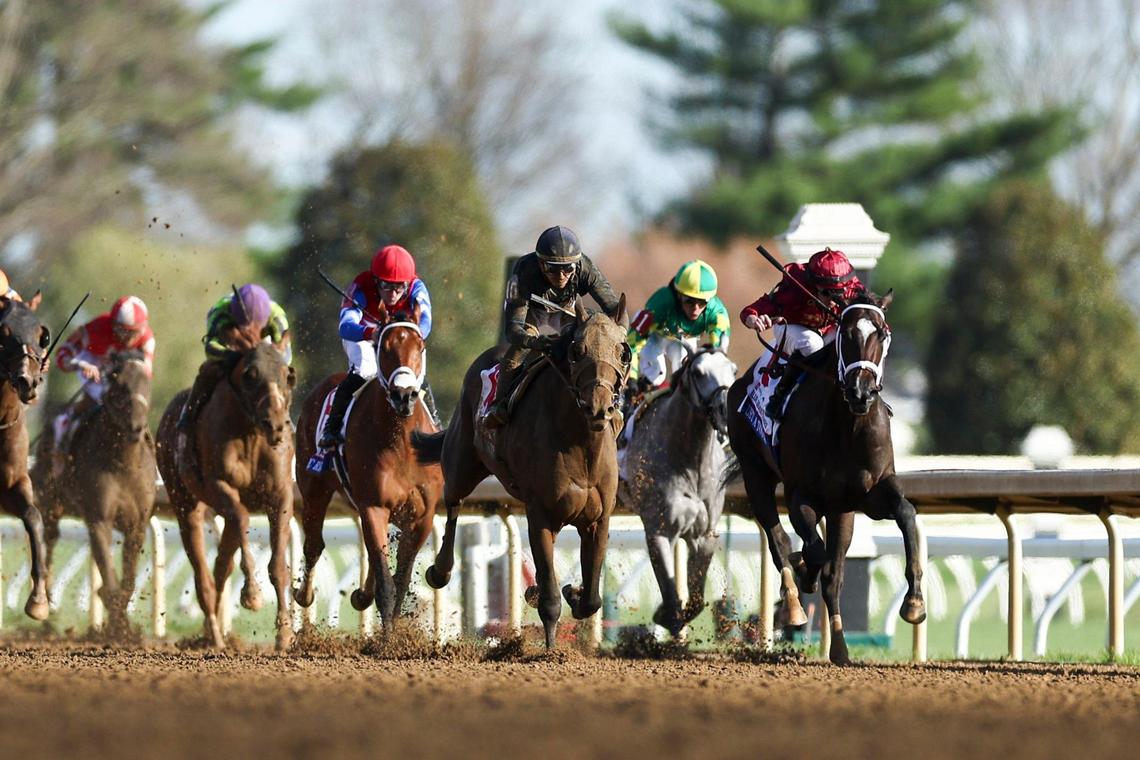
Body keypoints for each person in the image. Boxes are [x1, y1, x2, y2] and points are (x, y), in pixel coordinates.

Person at [485, 225, 620, 427]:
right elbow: (513, 330)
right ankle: (500, 405)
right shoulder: (524, 270)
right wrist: (535, 342)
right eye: (552, 268)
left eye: (567, 269)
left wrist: (618, 333)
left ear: (576, 265)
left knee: (593, 342)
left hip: (567, 310)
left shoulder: (586, 267)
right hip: (530, 311)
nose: (561, 276)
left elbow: (614, 309)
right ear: (539, 264)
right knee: (518, 351)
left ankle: (613, 402)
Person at [319, 244, 436, 449]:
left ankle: (435, 423)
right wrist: (371, 333)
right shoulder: (360, 288)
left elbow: (425, 322)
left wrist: (415, 332)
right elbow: (346, 327)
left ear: (407, 284)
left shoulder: (418, 287)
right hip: (364, 333)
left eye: (399, 287)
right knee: (366, 369)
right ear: (375, 281)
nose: (393, 293)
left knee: (413, 371)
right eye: (386, 285)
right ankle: (332, 427)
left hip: (400, 335)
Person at [739, 247, 865, 420]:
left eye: (837, 294)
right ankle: (780, 395)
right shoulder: (794, 289)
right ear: (814, 284)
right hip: (790, 328)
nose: (832, 300)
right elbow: (750, 311)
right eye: (826, 293)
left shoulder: (852, 289)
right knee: (812, 343)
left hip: (827, 331)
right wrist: (754, 320)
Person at [52, 295, 155, 473]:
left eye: (135, 332)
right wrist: (79, 364)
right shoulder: (94, 328)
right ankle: (63, 439)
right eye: (125, 331)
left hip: (121, 373)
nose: (131, 337)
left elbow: (145, 373)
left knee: (135, 409)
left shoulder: (146, 338)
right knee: (96, 399)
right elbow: (62, 355)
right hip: (93, 366)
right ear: (113, 325)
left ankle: (151, 461)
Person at [176, 284, 290, 441]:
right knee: (208, 369)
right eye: (247, 326)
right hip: (232, 346)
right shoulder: (219, 313)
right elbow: (210, 349)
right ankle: (188, 415)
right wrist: (231, 355)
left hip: (266, 349)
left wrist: (269, 362)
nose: (252, 329)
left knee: (283, 374)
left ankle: (286, 417)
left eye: (257, 325)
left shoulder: (277, 316)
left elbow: (285, 356)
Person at [627, 259, 731, 393]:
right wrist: (632, 379)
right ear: (678, 295)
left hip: (681, 339)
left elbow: (717, 355)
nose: (695, 309)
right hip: (654, 335)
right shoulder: (661, 304)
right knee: (657, 373)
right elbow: (632, 344)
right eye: (689, 301)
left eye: (702, 302)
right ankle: (636, 397)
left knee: (685, 372)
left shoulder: (717, 314)